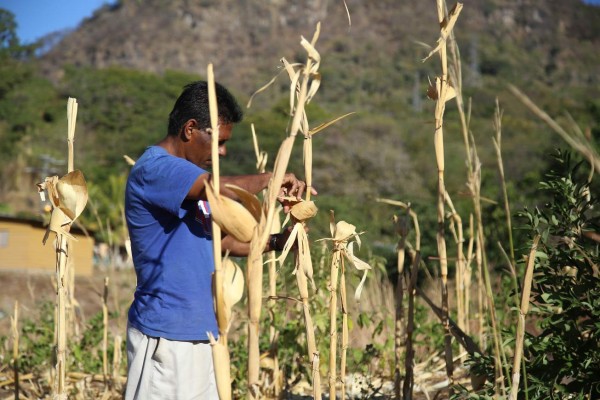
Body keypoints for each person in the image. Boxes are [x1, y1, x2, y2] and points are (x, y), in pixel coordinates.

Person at [123, 81, 314, 399]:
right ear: (190, 128)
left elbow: (222, 242)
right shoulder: (155, 169)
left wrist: (281, 241)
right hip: (166, 337)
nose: (222, 152)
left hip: (204, 333)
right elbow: (217, 187)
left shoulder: (188, 181)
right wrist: (269, 179)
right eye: (219, 142)